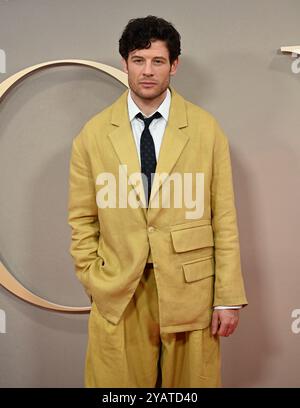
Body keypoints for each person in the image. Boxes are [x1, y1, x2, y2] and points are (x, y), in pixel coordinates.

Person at [67, 15, 248, 388]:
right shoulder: (94, 134)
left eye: (158, 61)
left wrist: (227, 297)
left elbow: (224, 218)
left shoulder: (205, 129)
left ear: (174, 65)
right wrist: (93, 278)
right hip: (120, 289)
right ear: (125, 64)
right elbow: (82, 219)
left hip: (191, 290)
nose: (147, 71)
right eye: (138, 60)